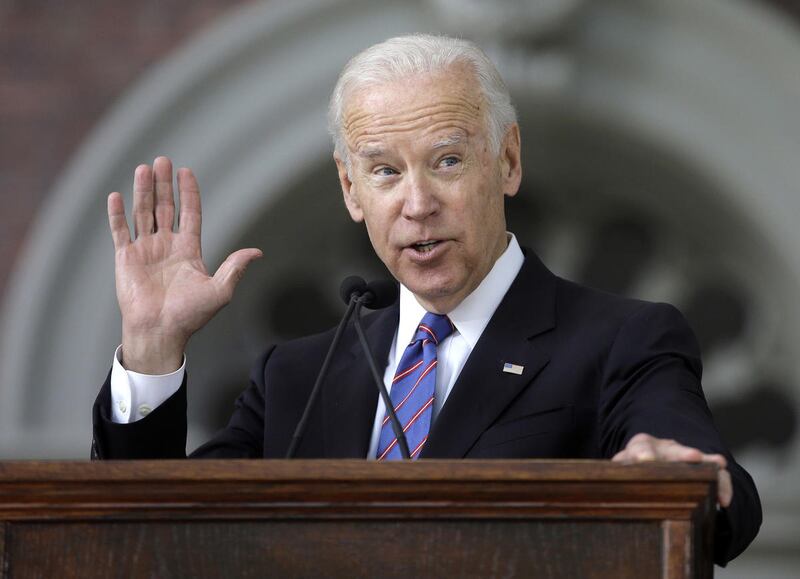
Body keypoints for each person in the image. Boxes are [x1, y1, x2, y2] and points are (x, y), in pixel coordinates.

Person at [91, 34, 760, 564]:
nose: (417, 204)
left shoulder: (623, 340)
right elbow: (154, 534)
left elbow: (721, 502)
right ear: (352, 190)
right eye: (384, 171)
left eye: (446, 161)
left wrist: (677, 475)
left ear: (508, 161)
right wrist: (152, 348)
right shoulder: (296, 377)